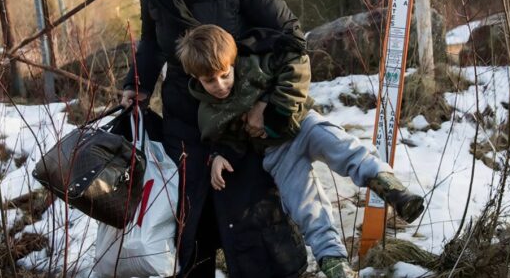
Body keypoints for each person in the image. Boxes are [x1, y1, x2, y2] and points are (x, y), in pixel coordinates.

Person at [120, 0, 308, 277]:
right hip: (185, 125)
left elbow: (292, 39)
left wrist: (270, 107)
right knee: (190, 233)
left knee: (254, 231)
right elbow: (153, 42)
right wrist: (135, 83)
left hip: (242, 124)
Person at [176, 24, 426, 278]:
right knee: (307, 206)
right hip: (277, 154)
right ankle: (334, 262)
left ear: (233, 62)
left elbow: (295, 65)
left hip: (303, 123)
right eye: (209, 80)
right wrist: (220, 156)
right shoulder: (209, 114)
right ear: (197, 79)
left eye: (224, 74)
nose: (219, 84)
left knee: (343, 148)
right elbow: (229, 139)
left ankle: (391, 187)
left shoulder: (256, 63)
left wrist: (276, 112)